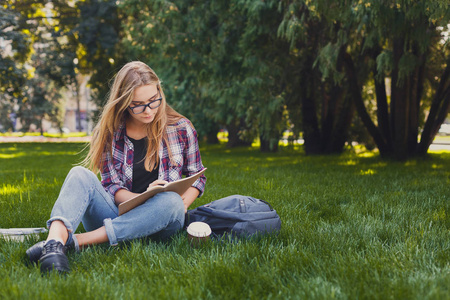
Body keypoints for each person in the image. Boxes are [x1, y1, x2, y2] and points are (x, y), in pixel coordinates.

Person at [26, 61, 206, 273]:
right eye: (138, 104)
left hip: (161, 222)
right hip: (117, 214)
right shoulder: (110, 132)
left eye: (153, 100)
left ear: (159, 92)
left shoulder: (181, 128)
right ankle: (54, 244)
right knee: (79, 174)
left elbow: (198, 176)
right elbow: (111, 186)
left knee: (171, 201)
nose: (148, 110)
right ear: (124, 102)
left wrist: (182, 204)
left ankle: (76, 241)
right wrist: (144, 197)